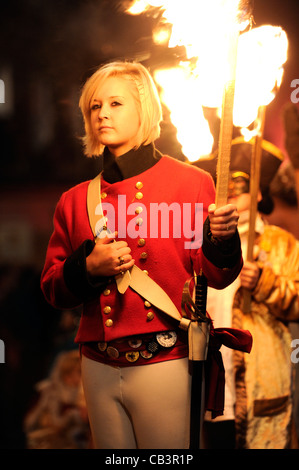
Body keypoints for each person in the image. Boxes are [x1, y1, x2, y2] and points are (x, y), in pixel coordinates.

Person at [40, 60, 243, 449]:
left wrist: (222, 239)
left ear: (144, 107)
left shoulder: (192, 183)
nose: (102, 114)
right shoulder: (72, 200)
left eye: (115, 104)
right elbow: (52, 290)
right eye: (95, 106)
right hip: (97, 363)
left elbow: (216, 275)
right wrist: (87, 268)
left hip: (165, 360)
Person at [196, 143, 299, 449]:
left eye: (238, 187)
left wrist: (265, 283)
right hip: (211, 378)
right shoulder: (202, 242)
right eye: (223, 187)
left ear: (256, 194)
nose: (229, 194)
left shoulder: (282, 243)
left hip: (261, 383)